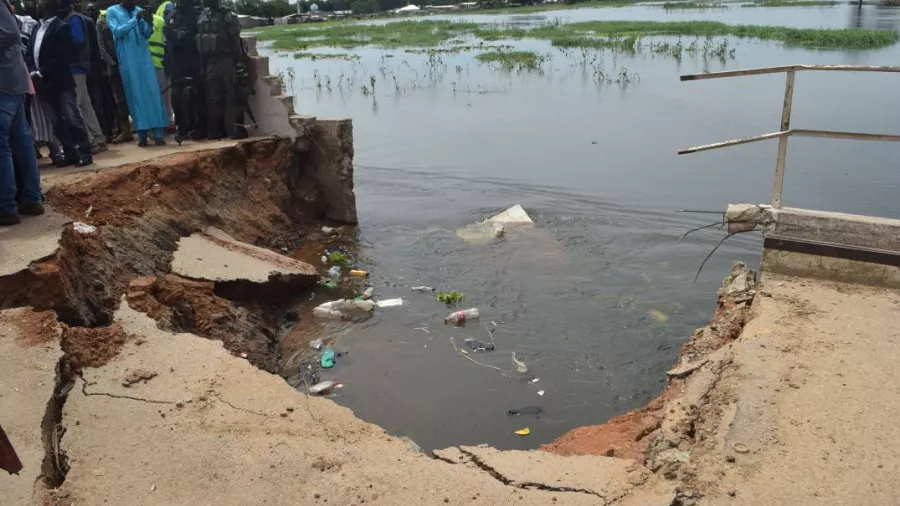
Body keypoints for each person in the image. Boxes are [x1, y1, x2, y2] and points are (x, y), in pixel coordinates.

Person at [26, 0, 93, 168]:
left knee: (72, 117)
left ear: (49, 6)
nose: (37, 5)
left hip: (60, 81)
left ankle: (84, 152)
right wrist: (32, 71)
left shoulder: (61, 27)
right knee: (55, 121)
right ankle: (70, 153)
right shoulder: (36, 27)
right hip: (42, 83)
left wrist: (42, 71)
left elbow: (63, 56)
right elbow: (30, 53)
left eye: (40, 3)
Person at [1, 0, 43, 225]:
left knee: (6, 143)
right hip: (13, 79)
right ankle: (31, 198)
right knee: (21, 140)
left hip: (4, 82)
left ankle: (7, 207)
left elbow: (10, 33)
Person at [106, 0, 168, 146]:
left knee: (153, 95)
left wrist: (149, 23)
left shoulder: (138, 10)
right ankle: (142, 135)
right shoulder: (112, 12)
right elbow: (117, 32)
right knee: (135, 97)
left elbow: (146, 34)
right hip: (128, 61)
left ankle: (158, 134)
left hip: (145, 59)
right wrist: (135, 19)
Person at [60, 0, 107, 153]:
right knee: (85, 105)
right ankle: (98, 138)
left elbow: (77, 41)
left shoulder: (73, 18)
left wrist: (61, 49)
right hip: (77, 67)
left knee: (75, 105)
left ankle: (89, 140)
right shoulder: (71, 18)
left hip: (75, 67)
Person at [197, 0, 247, 140]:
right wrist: (202, 66)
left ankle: (237, 129)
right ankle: (217, 130)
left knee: (232, 95)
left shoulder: (228, 16)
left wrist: (239, 64)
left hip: (227, 59)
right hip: (210, 61)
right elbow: (201, 43)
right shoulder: (203, 16)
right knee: (213, 97)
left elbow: (236, 43)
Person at [164, 0, 204, 142]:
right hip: (176, 63)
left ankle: (197, 128)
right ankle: (182, 127)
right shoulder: (174, 14)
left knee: (193, 96)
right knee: (176, 98)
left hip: (191, 61)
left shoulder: (196, 13)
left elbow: (198, 40)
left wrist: (180, 38)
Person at [95, 6, 133, 143]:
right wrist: (111, 63)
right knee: (120, 100)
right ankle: (126, 130)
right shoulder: (102, 19)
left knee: (135, 95)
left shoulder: (128, 12)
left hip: (129, 62)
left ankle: (144, 127)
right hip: (114, 66)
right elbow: (101, 46)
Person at [81, 2, 116, 142]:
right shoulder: (87, 23)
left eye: (92, 10)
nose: (90, 12)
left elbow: (99, 47)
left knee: (107, 102)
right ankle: (104, 131)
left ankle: (110, 130)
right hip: (91, 71)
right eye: (88, 10)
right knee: (97, 103)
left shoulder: (99, 22)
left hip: (102, 69)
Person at [148, 0, 172, 122]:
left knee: (160, 94)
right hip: (155, 63)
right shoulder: (161, 16)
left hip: (156, 63)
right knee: (163, 94)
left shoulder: (160, 17)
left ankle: (164, 120)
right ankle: (166, 120)